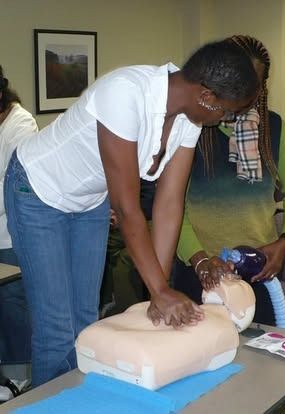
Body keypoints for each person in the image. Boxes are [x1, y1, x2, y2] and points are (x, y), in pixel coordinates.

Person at [4, 39, 260, 387]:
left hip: (89, 199)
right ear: (207, 96)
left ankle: (82, 402)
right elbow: (127, 209)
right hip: (37, 191)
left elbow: (169, 204)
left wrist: (161, 286)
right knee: (56, 328)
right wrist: (157, 290)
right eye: (228, 111)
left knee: (85, 319)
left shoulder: (189, 121)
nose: (227, 119)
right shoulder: (125, 94)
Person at [172, 35, 285, 325]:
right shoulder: (191, 127)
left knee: (262, 362)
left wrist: (284, 242)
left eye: (250, 84)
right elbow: (172, 208)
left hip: (257, 271)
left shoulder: (273, 128)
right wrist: (199, 259)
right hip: (199, 270)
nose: (239, 92)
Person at [0, 66, 36, 374]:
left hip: (11, 235)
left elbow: (16, 188)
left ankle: (22, 375)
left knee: (13, 304)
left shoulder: (21, 126)